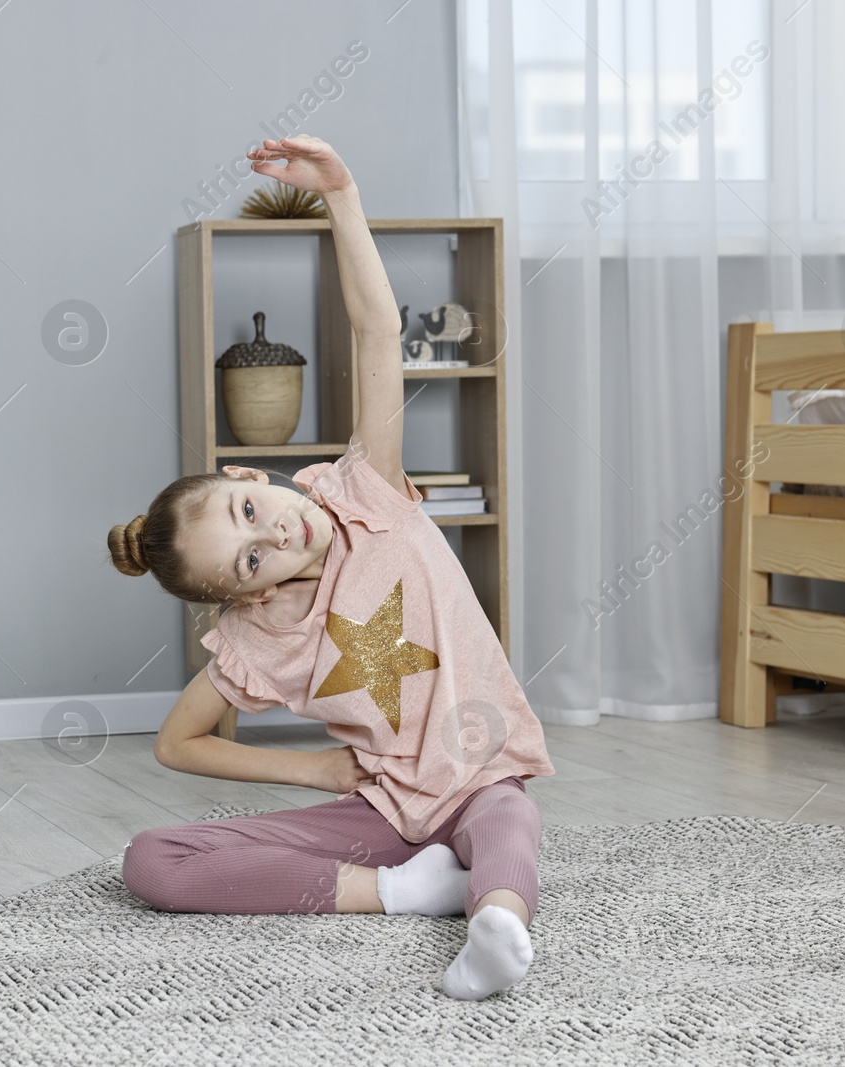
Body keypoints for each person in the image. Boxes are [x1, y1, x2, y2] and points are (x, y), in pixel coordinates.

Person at [106, 134, 554, 1001]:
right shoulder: (260, 636)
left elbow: (377, 329)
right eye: (251, 559)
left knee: (511, 817)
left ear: (248, 475)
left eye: (250, 511)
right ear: (250, 592)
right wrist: (310, 771)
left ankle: (496, 918)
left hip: (475, 781)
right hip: (379, 813)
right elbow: (176, 741)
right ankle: (404, 893)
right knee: (152, 861)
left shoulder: (367, 492)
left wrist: (340, 195)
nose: (273, 533)